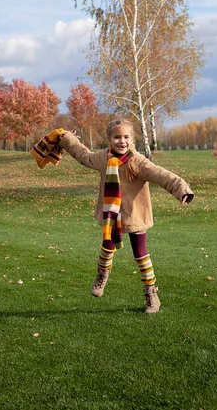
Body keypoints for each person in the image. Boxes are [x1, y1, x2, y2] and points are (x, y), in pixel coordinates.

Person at [35, 119, 194, 314]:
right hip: (112, 215)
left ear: (132, 139)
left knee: (141, 255)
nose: (122, 141)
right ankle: (102, 275)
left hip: (135, 215)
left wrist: (182, 190)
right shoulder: (103, 158)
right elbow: (84, 156)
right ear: (109, 139)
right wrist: (65, 138)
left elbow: (162, 175)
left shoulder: (138, 162)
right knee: (107, 247)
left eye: (126, 137)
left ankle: (151, 294)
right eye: (117, 137)